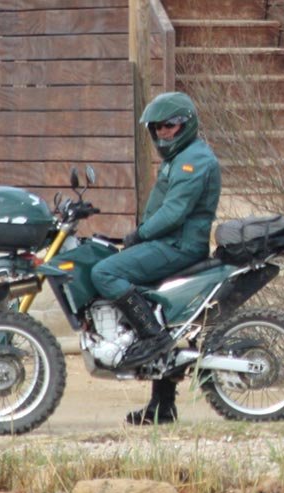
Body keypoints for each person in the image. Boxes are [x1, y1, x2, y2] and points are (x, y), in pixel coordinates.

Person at [90, 91, 221, 426]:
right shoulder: (180, 157)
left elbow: (175, 213)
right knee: (159, 312)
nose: (163, 133)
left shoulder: (195, 160)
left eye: (169, 126)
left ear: (185, 125)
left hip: (178, 246)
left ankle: (154, 339)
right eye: (158, 127)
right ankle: (162, 407)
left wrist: (140, 235)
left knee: (104, 272)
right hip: (168, 243)